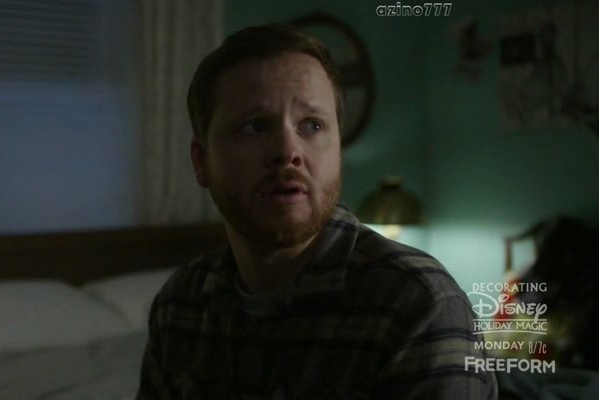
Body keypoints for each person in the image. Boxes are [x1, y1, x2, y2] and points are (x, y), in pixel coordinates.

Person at [138, 24, 497, 399]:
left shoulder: (416, 303)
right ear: (201, 162)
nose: (287, 151)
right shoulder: (180, 307)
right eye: (255, 126)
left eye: (312, 125)